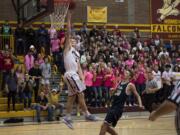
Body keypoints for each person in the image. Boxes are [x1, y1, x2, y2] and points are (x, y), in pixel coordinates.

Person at [62, 11, 98, 129]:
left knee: (72, 97)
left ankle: (67, 117)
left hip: (75, 75)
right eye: (71, 40)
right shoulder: (67, 49)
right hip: (69, 74)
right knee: (80, 94)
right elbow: (68, 33)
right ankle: (87, 114)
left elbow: (79, 67)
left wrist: (82, 78)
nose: (72, 41)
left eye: (74, 40)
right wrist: (69, 20)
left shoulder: (77, 53)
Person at [99, 70, 143, 135]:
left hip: (118, 109)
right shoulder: (120, 82)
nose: (124, 73)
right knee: (106, 127)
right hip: (113, 107)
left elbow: (138, 95)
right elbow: (114, 93)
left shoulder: (130, 85)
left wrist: (140, 104)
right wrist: (112, 91)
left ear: (129, 76)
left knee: (104, 125)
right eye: (125, 72)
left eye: (126, 73)